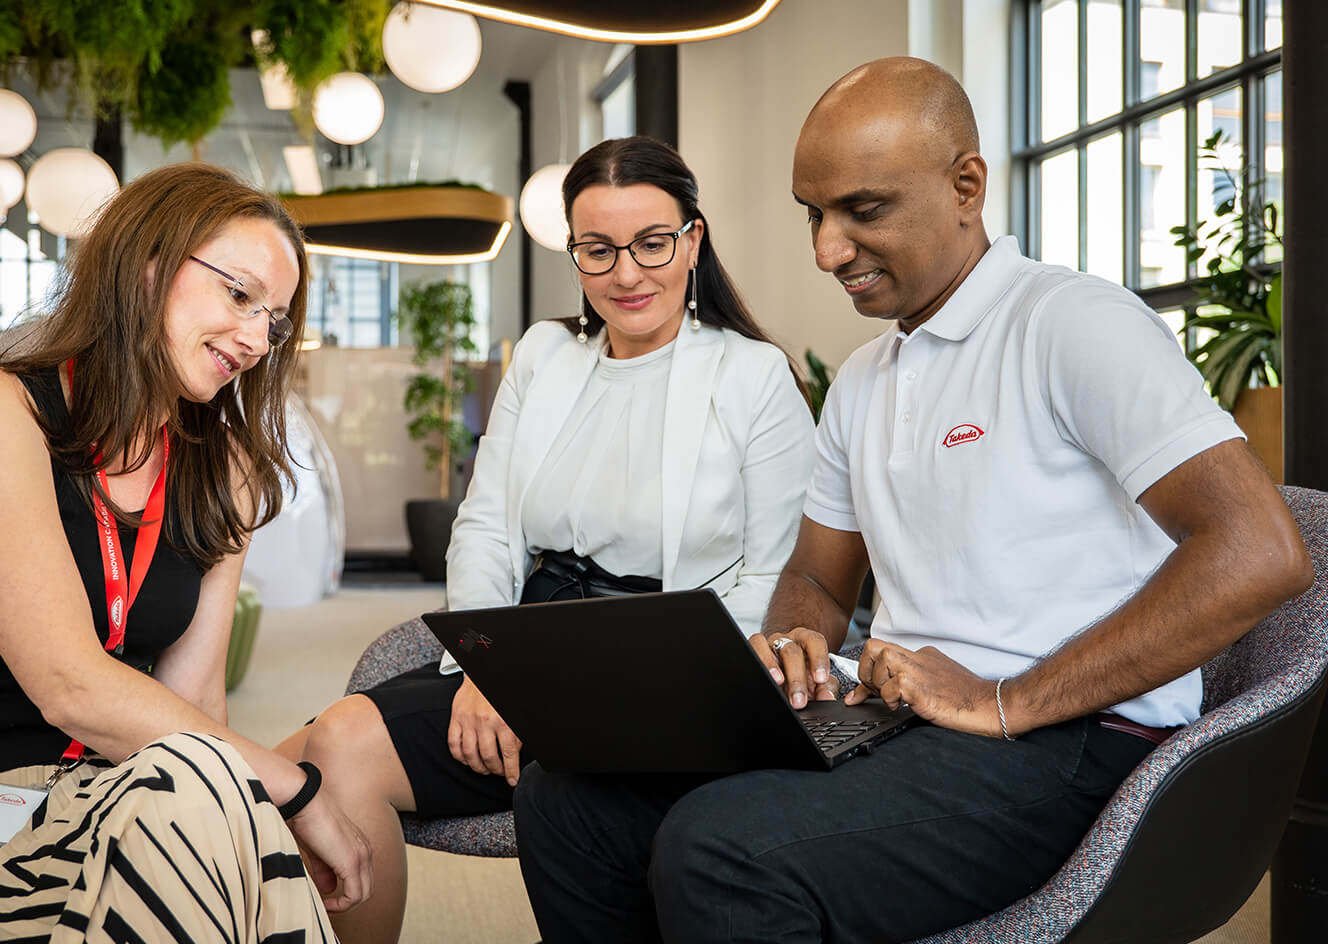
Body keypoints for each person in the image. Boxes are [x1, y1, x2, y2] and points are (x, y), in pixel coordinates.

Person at [511, 58, 1314, 944]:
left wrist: (1009, 699)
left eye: (865, 209)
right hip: (907, 718)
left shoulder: (1072, 325)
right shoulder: (863, 380)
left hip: (1079, 740)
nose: (827, 250)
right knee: (570, 794)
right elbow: (819, 578)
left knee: (722, 852)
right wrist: (795, 646)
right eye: (814, 214)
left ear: (965, 185)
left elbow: (1259, 552)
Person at [277, 135, 817, 944]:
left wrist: (612, 689)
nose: (626, 274)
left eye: (651, 244)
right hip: (532, 646)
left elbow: (775, 581)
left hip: (663, 676)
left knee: (318, 749)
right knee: (311, 756)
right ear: (574, 252)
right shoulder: (545, 354)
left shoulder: (754, 377)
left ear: (693, 241)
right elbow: (488, 522)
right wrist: (486, 667)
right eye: (598, 250)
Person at [0, 163, 371, 941]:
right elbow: (69, 686)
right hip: (15, 798)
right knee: (220, 790)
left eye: (273, 319)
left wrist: (246, 804)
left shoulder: (223, 463)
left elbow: (198, 698)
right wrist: (288, 791)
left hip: (133, 788)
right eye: (239, 295)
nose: (255, 339)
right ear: (147, 265)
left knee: (219, 807)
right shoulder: (11, 412)